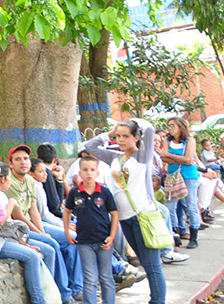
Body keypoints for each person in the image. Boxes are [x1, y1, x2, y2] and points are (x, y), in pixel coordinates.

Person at [81, 119, 169, 304]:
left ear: (136, 138)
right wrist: (110, 133)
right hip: (125, 218)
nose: (120, 140)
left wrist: (134, 121)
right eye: (118, 136)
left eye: (125, 136)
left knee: (152, 266)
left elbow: (150, 129)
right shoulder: (115, 157)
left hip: (143, 216)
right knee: (146, 263)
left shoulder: (142, 156)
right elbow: (89, 145)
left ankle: (157, 301)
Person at [8, 144, 81, 304]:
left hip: (35, 224)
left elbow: (34, 210)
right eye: (18, 159)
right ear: (11, 164)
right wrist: (41, 234)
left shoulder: (29, 179)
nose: (23, 162)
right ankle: (63, 295)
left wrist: (42, 231)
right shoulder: (10, 182)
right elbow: (19, 216)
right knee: (52, 245)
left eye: (26, 158)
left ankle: (76, 288)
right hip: (20, 229)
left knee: (71, 240)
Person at [0, 161, 59, 304]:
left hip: (11, 237)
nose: (10, 179)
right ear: (3, 179)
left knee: (48, 250)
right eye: (9, 176)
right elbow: (1, 222)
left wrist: (23, 242)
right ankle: (38, 300)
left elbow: (10, 227)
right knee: (32, 256)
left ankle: (49, 293)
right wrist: (12, 203)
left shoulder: (3, 196)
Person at [64, 156, 119, 304]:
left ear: (97, 173)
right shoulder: (75, 193)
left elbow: (114, 213)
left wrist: (112, 236)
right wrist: (67, 232)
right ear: (79, 172)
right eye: (85, 170)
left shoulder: (105, 192)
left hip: (104, 241)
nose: (89, 173)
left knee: (106, 277)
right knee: (89, 279)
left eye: (92, 170)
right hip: (84, 242)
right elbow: (67, 211)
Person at [159, 118, 200, 248]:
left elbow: (188, 159)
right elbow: (163, 157)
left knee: (191, 204)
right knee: (170, 205)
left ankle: (194, 236)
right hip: (173, 176)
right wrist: (181, 159)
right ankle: (174, 234)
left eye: (172, 125)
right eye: (168, 125)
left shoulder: (190, 141)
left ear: (180, 127)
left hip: (188, 175)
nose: (170, 128)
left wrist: (170, 156)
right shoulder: (167, 141)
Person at [36, 144, 66, 220]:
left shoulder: (46, 173)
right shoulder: (47, 173)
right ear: (55, 160)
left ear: (38, 158)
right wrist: (59, 180)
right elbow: (55, 205)